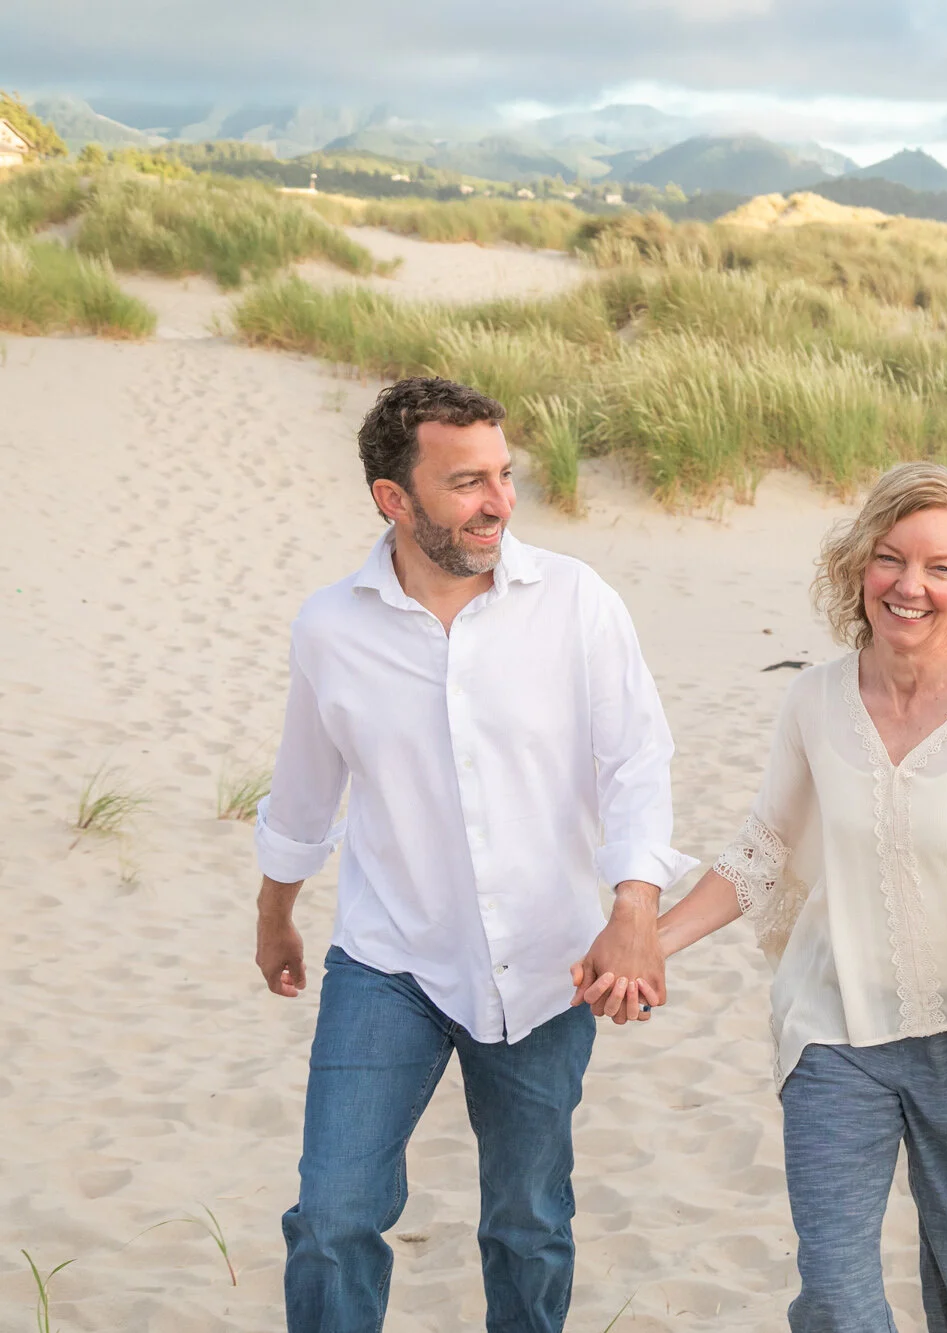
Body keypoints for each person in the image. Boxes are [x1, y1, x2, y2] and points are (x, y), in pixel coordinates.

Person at [583, 461, 947, 1332]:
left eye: (938, 568)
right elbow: (761, 854)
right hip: (835, 1030)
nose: (909, 586)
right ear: (858, 565)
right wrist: (645, 938)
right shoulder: (813, 699)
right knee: (838, 1296)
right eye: (889, 559)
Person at [253, 377, 696, 1333]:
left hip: (548, 966)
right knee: (332, 1217)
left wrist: (633, 909)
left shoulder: (575, 602)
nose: (499, 502)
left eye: (503, 475)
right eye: (466, 482)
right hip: (390, 963)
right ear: (393, 499)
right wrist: (275, 914)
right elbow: (303, 792)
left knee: (527, 1223)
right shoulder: (331, 627)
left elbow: (636, 763)